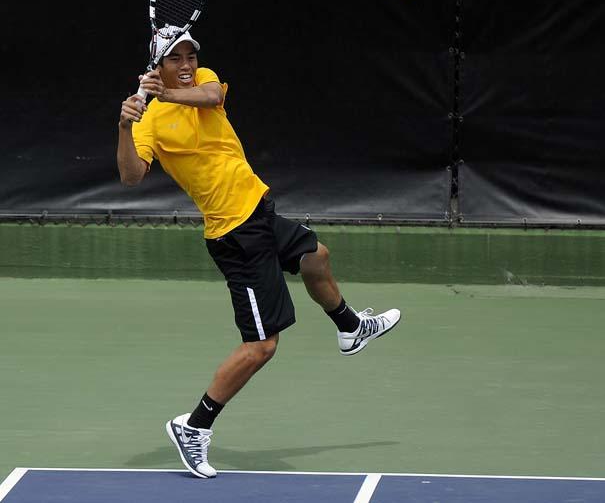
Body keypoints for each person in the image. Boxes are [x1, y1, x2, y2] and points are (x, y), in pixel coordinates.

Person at [116, 31, 401, 479]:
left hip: (258, 211)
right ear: (158, 64)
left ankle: (350, 328)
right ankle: (194, 426)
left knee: (316, 256)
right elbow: (131, 176)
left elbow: (210, 96)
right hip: (235, 236)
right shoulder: (148, 122)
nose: (188, 63)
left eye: (192, 55)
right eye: (177, 59)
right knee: (262, 345)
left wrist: (168, 91)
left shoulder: (200, 82)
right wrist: (125, 124)